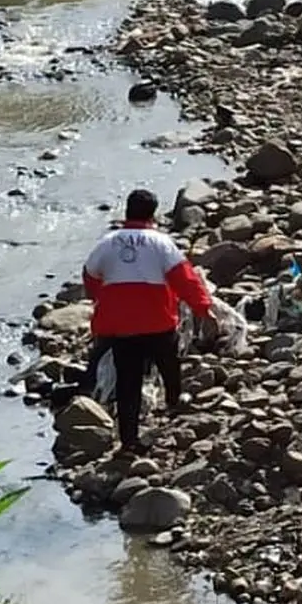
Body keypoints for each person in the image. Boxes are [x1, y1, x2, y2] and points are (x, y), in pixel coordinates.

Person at [82, 188, 214, 453]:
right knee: (169, 360)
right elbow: (185, 279)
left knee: (127, 381)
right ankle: (174, 400)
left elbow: (90, 276)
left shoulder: (107, 242)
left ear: (127, 211)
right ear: (153, 214)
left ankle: (129, 440)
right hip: (157, 321)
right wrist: (203, 309)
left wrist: (103, 299)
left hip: (119, 326)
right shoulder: (161, 243)